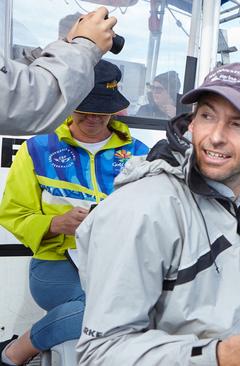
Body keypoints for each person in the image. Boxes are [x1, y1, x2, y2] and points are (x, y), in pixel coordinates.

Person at [74, 62, 240, 365]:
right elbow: (99, 353)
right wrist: (217, 356)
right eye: (207, 116)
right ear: (191, 123)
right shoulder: (142, 212)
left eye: (238, 123)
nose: (216, 135)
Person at [0, 59, 149, 365]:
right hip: (55, 263)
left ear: (115, 107)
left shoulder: (141, 154)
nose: (93, 117)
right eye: (84, 108)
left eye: (102, 109)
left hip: (120, 266)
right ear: (69, 102)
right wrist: (55, 223)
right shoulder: (38, 149)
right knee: (98, 308)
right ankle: (18, 350)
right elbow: (13, 214)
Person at [0, 7, 117, 136]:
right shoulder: (36, 147)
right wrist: (86, 45)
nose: (92, 117)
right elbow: (26, 101)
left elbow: (12, 82)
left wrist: (69, 43)